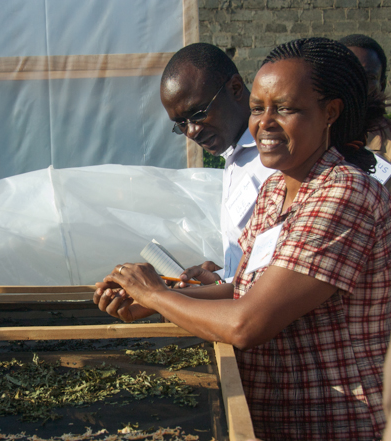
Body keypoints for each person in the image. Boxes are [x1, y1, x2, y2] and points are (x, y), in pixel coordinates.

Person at [95, 38, 390, 439]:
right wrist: (152, 304)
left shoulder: (343, 194)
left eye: (285, 109)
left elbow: (247, 323)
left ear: (330, 113)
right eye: (258, 108)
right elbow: (242, 290)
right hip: (270, 416)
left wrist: (155, 295)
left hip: (331, 420)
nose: (264, 123)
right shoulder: (275, 189)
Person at [160, 43, 274, 285]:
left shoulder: (275, 159)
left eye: (199, 113)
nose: (191, 131)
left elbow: (276, 280)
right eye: (181, 123)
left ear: (234, 88)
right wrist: (220, 277)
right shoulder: (235, 157)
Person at [340, 34, 391, 191]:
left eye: (368, 77)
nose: (358, 84)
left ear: (381, 84)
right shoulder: (308, 135)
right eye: (349, 75)